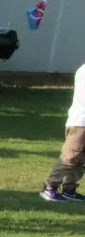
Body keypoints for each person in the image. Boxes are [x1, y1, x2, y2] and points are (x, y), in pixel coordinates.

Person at [40, 62, 85, 202]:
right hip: (80, 122)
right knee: (70, 157)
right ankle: (50, 188)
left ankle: (69, 189)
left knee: (82, 160)